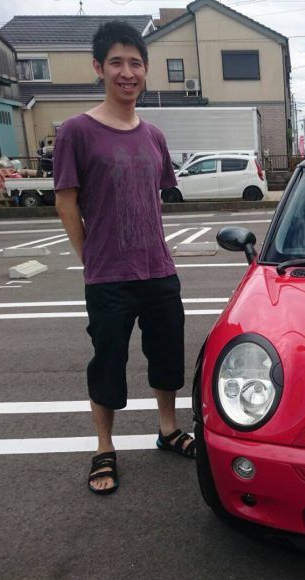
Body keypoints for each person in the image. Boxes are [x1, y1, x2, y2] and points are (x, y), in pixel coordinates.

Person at [53, 21, 195, 496]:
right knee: (108, 362)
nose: (127, 72)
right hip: (108, 277)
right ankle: (104, 446)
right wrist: (91, 258)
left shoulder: (154, 135)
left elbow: (154, 199)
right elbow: (65, 204)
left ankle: (168, 429)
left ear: (146, 70)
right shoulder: (76, 131)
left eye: (135, 63)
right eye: (116, 62)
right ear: (99, 67)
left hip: (159, 271)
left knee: (168, 355)